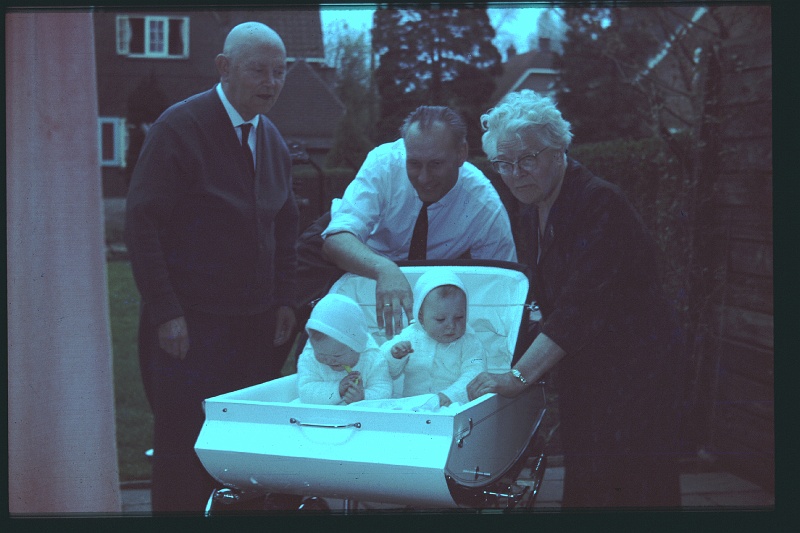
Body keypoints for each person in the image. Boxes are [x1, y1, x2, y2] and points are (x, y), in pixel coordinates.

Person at [467, 90, 687, 508]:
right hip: (588, 372)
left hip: (638, 373)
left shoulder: (599, 203)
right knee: (589, 484)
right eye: (503, 164)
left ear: (558, 148)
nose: (515, 174)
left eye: (527, 159)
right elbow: (542, 299)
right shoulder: (531, 207)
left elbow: (578, 311)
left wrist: (516, 378)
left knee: (636, 487)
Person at [125, 22, 298, 513]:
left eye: (279, 73)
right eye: (258, 70)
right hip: (188, 328)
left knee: (238, 451)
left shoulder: (273, 140)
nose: (270, 82)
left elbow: (286, 224)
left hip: (252, 327)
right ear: (224, 68)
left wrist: (284, 297)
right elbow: (142, 225)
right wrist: (166, 313)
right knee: (184, 451)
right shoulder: (179, 128)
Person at [320, 106, 517, 339]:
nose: (423, 178)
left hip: (425, 278)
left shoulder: (485, 207)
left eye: (436, 164)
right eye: (414, 164)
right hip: (358, 253)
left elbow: (504, 288)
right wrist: (384, 268)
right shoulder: (384, 164)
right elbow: (336, 239)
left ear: (461, 153)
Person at [381, 269, 486, 408]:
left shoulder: (470, 341)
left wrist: (451, 395)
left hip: (453, 407)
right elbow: (381, 363)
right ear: (421, 317)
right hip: (412, 406)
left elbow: (475, 372)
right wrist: (395, 355)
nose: (451, 326)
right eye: (440, 319)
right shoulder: (412, 335)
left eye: (459, 318)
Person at [297, 294, 392, 405]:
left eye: (336, 356)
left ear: (357, 347)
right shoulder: (310, 356)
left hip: (362, 418)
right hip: (321, 417)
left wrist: (364, 397)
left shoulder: (372, 357)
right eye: (320, 354)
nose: (328, 360)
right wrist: (337, 389)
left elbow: (384, 389)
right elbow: (305, 392)